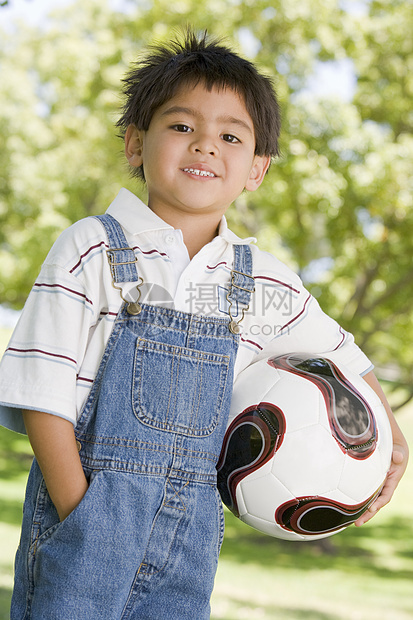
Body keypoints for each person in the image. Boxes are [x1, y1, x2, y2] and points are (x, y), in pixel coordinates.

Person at [0, 30, 408, 619]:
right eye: (182, 126)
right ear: (135, 144)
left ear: (256, 170)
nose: (205, 147)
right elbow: (43, 396)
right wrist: (82, 518)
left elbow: (342, 353)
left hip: (189, 540)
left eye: (230, 136)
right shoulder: (92, 249)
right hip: (86, 517)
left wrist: (391, 439)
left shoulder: (264, 281)